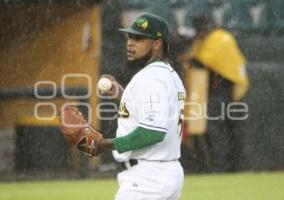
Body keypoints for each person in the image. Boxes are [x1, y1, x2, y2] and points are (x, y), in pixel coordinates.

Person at [99, 13, 186, 200]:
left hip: (147, 178)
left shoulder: (151, 78)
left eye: (138, 38)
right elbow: (149, 114)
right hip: (164, 172)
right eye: (130, 37)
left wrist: (104, 144)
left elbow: (152, 132)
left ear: (157, 43)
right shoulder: (170, 75)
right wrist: (121, 95)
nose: (130, 43)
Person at [182, 13, 249, 172]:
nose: (200, 34)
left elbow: (204, 61)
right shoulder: (206, 41)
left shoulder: (220, 38)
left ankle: (224, 167)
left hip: (222, 94)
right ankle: (223, 167)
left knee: (219, 132)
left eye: (201, 30)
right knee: (220, 132)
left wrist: (190, 60)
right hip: (215, 95)